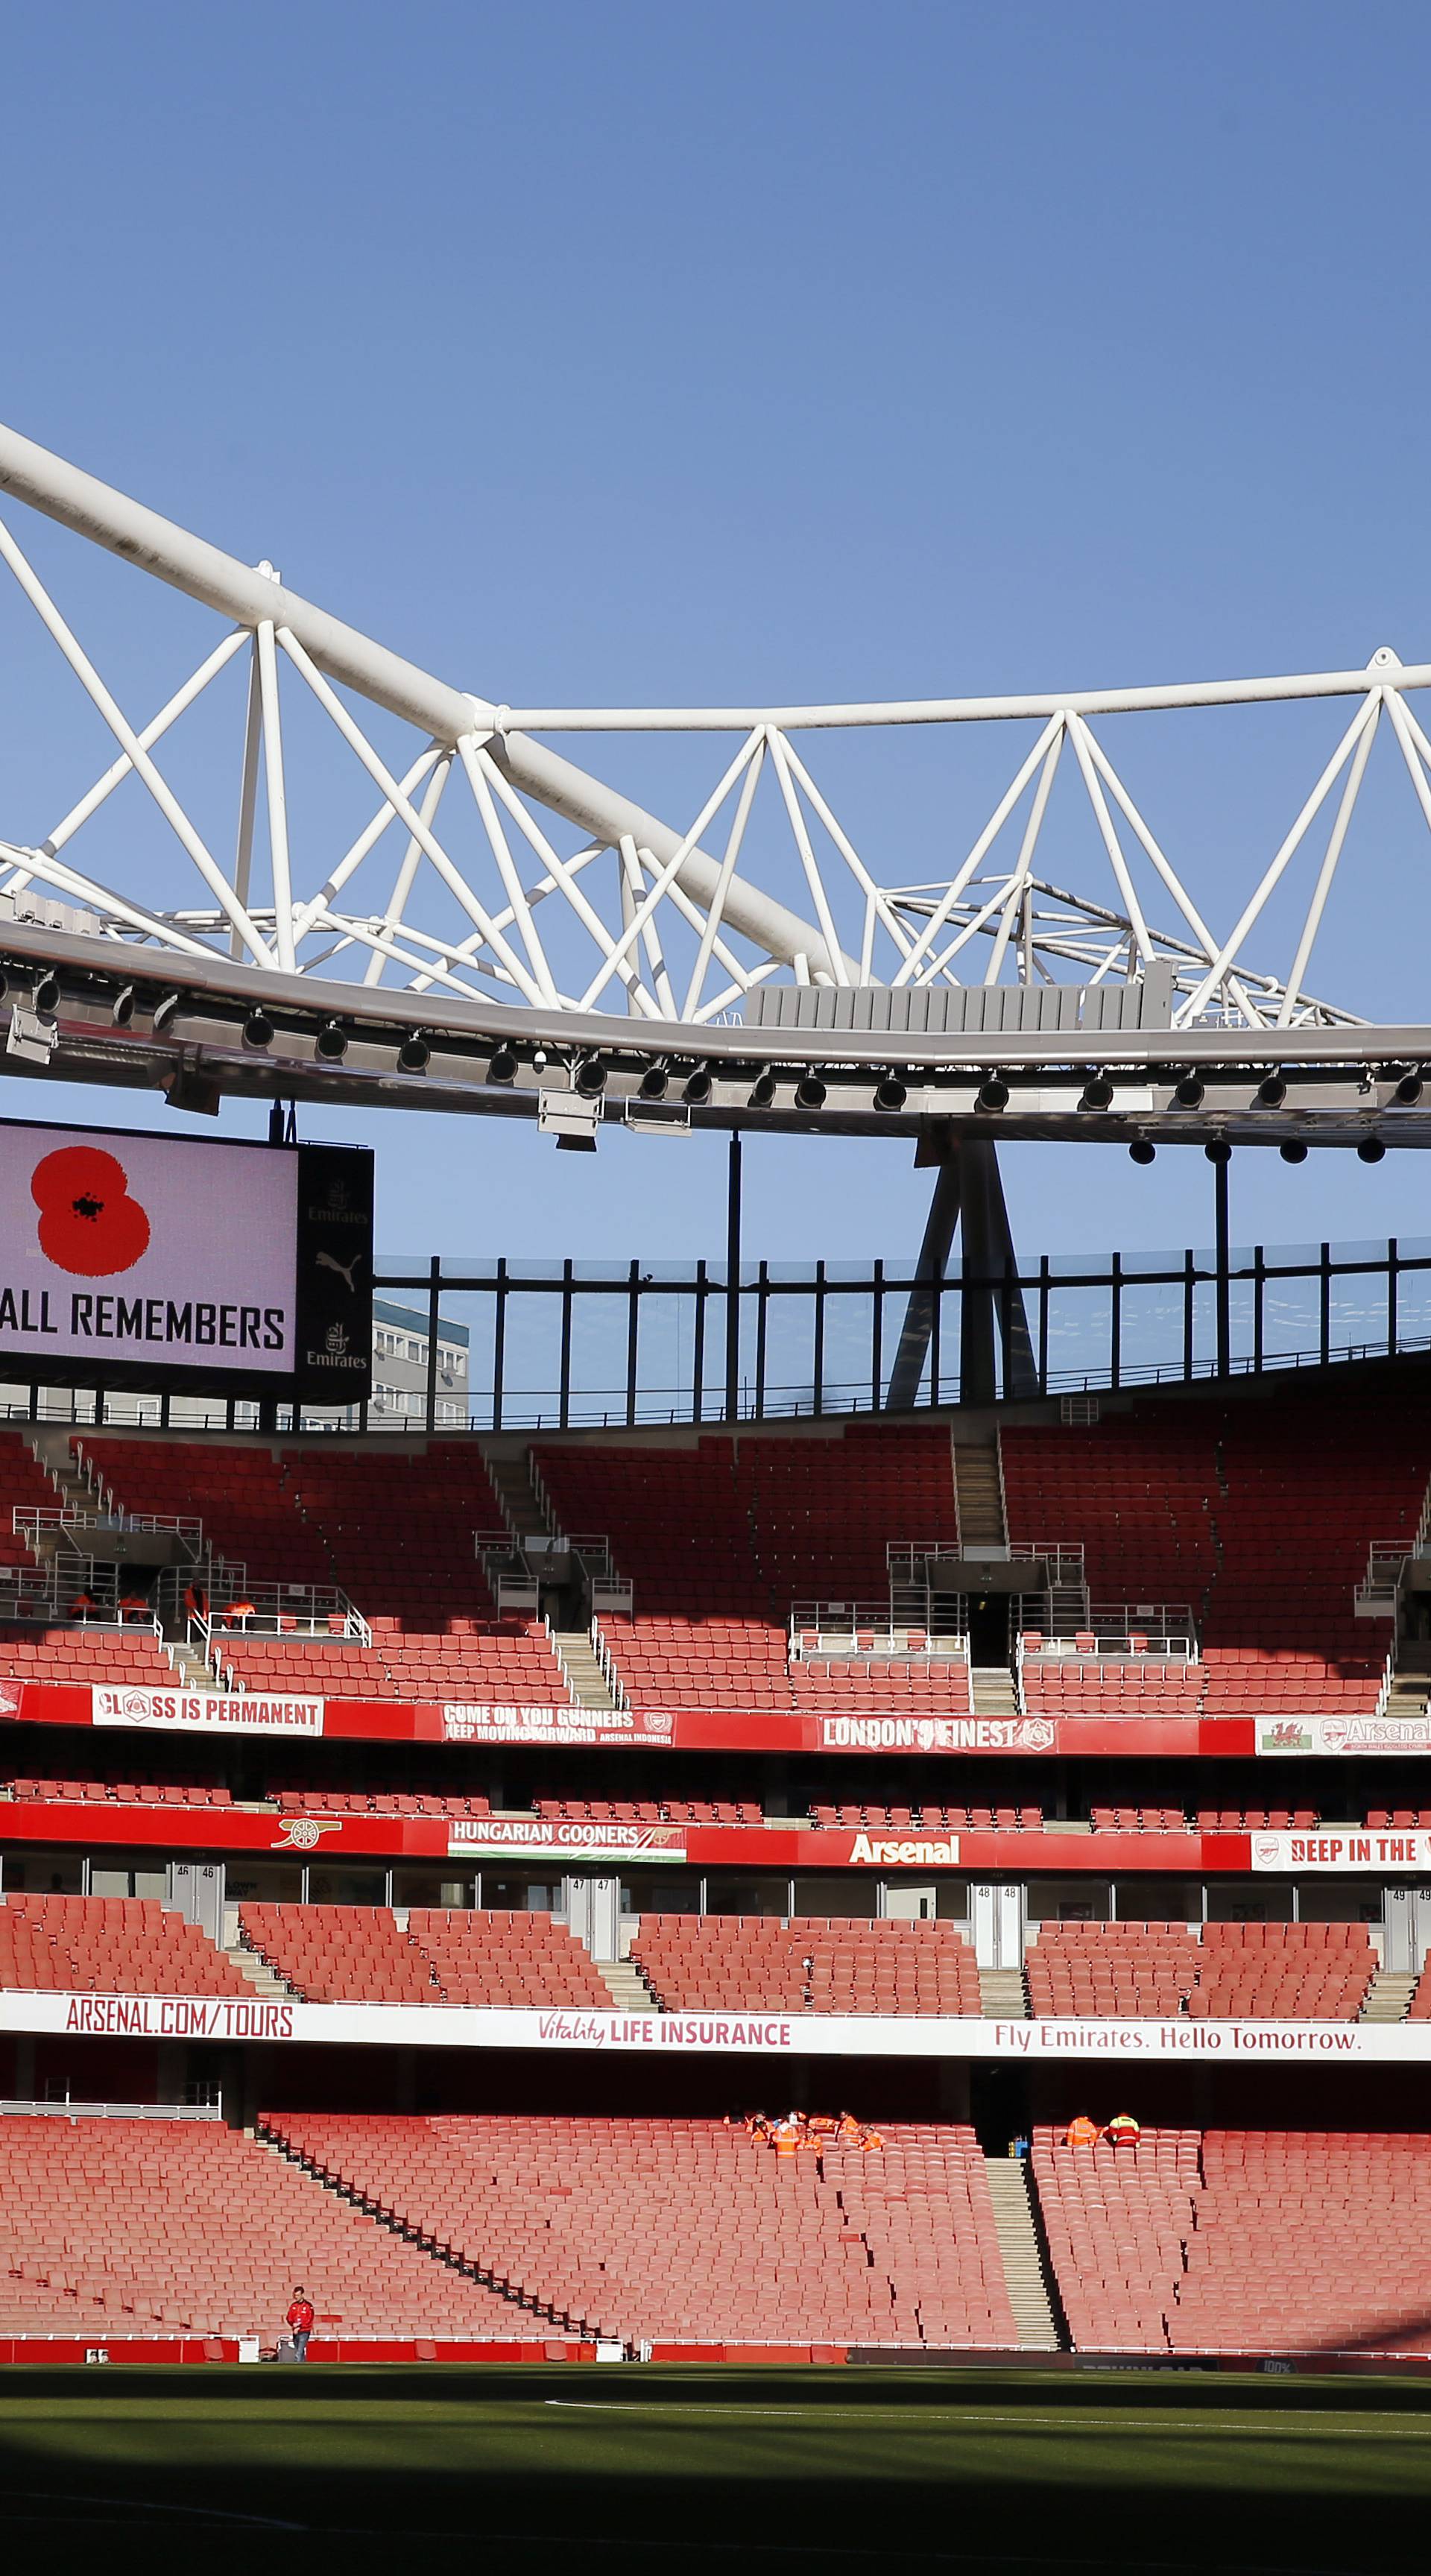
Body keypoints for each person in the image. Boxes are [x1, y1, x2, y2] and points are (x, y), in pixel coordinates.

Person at [285, 2286, 315, 2361]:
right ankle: (303, 2366)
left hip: (304, 2331)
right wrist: (293, 2325)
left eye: (298, 2295)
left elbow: (310, 2319)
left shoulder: (308, 2306)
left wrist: (300, 2326)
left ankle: (296, 2365)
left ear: (302, 2295)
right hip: (295, 2332)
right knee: (299, 2350)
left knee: (299, 2352)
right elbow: (289, 2317)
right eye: (295, 2295)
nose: (296, 2297)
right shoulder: (293, 2306)